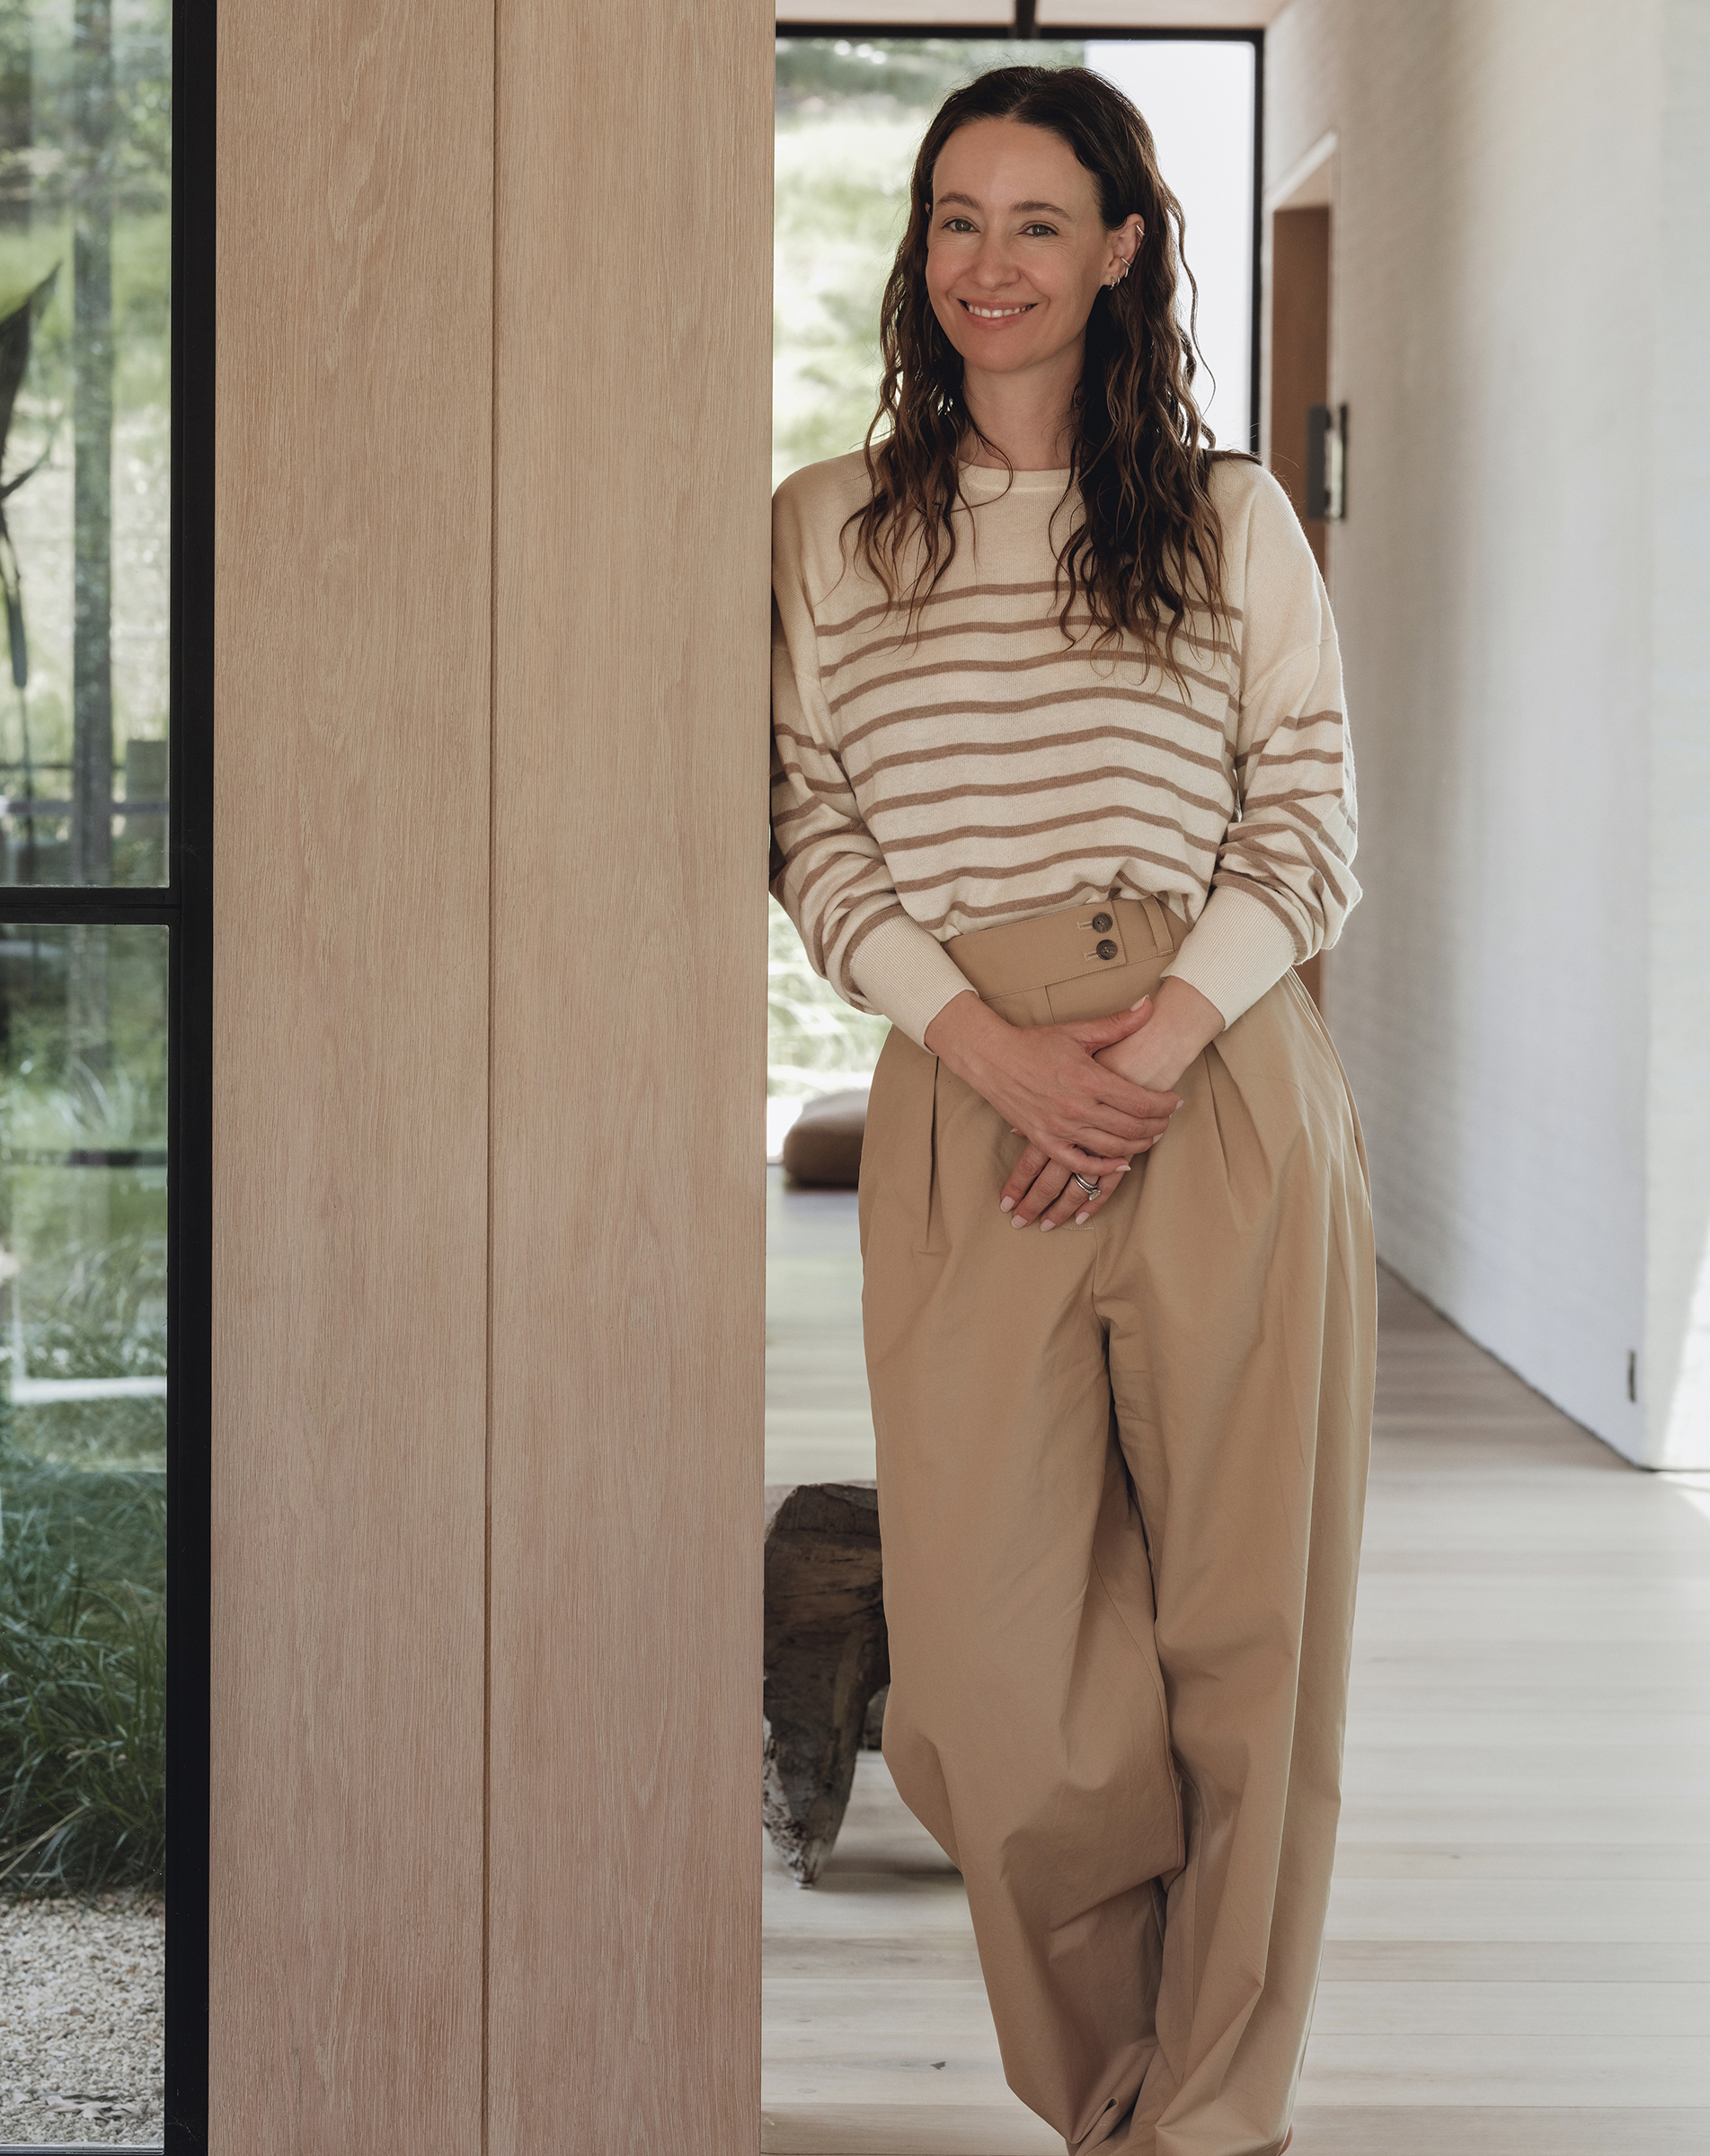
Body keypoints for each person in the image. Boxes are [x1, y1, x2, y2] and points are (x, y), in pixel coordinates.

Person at [769, 64, 1374, 2156]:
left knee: (1246, 1637)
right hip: (971, 1093)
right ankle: (1125, 2077)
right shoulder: (823, 530)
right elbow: (811, 833)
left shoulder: (1226, 518)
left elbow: (1306, 822)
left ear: (1123, 249)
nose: (988, 266)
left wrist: (1156, 1046)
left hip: (1217, 1082)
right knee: (993, 1692)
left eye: (1038, 223)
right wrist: (987, 1043)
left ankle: (1204, 2119)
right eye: (955, 220)